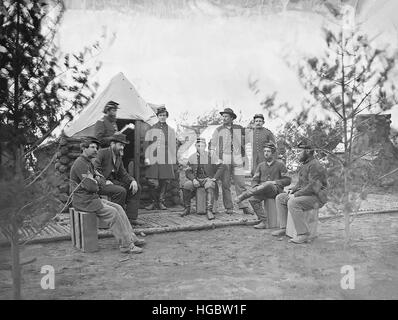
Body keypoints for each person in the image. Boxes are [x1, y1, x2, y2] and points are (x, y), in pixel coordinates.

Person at [70, 137, 145, 254]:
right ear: (84, 148)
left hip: (91, 198)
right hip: (85, 201)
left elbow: (99, 179)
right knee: (113, 212)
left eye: (96, 147)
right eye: (92, 147)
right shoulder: (80, 164)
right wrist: (97, 182)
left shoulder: (88, 162)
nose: (96, 150)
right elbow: (91, 186)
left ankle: (131, 238)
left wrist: (97, 181)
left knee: (118, 208)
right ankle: (126, 246)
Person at [272, 139, 328, 244]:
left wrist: (296, 195)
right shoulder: (305, 164)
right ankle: (284, 228)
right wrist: (292, 190)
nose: (297, 154)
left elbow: (313, 187)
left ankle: (303, 234)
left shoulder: (315, 165)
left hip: (317, 197)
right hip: (308, 194)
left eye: (299, 151)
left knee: (293, 202)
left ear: (307, 151)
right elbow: (301, 183)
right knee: (280, 198)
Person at [209, 107, 254, 215]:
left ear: (232, 118)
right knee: (226, 184)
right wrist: (214, 155)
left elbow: (249, 137)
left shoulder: (239, 128)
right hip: (224, 157)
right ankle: (229, 207)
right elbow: (212, 143)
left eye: (226, 116)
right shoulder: (218, 129)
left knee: (241, 183)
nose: (224, 118)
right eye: (223, 116)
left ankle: (244, 206)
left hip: (237, 157)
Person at [236, 142, 291, 229]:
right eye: (264, 151)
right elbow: (254, 180)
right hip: (262, 191)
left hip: (275, 191)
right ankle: (263, 221)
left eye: (268, 151)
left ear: (273, 153)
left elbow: (288, 180)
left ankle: (244, 195)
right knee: (253, 199)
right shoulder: (261, 165)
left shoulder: (280, 165)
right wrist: (255, 187)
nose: (266, 153)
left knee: (268, 184)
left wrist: (275, 182)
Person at [93, 133, 143, 226]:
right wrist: (104, 181)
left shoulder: (118, 156)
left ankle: (131, 218)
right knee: (120, 191)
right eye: (120, 145)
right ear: (112, 144)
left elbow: (123, 173)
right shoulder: (102, 153)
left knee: (136, 188)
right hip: (99, 184)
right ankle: (116, 220)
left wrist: (132, 180)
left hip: (112, 182)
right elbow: (95, 170)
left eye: (123, 145)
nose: (122, 148)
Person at [181, 137, 226, 220]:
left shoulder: (211, 156)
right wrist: (193, 179)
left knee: (210, 186)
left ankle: (209, 210)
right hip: (196, 179)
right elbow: (188, 171)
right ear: (195, 146)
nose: (200, 147)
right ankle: (187, 208)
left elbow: (222, 166)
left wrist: (215, 178)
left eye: (202, 146)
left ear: (205, 146)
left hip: (207, 179)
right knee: (186, 186)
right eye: (198, 146)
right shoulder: (192, 157)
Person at [144, 105, 177, 210]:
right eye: (160, 115)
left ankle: (161, 202)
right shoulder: (152, 128)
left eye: (164, 115)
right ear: (157, 116)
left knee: (165, 181)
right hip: (153, 156)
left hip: (166, 158)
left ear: (166, 116)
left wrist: (173, 159)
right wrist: (147, 157)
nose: (162, 117)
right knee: (152, 180)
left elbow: (172, 146)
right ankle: (153, 202)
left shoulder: (171, 130)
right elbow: (146, 144)